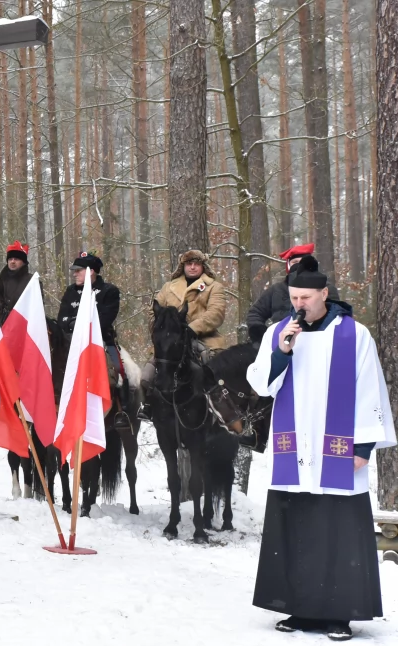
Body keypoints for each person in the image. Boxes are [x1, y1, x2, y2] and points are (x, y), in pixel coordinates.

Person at [246, 256, 394, 641]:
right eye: (294, 297)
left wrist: (362, 445)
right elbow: (261, 384)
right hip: (294, 452)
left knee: (337, 532)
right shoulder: (280, 332)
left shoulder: (354, 335)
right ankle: (301, 610)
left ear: (324, 294)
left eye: (307, 297)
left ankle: (339, 614)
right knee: (297, 530)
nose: (299, 304)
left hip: (339, 451)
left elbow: (370, 390)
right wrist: (281, 351)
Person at [246, 243, 340, 344]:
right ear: (288, 266)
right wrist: (265, 337)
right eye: (295, 262)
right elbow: (255, 314)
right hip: (280, 343)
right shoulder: (276, 290)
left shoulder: (324, 289)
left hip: (317, 342)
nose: (299, 266)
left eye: (303, 262)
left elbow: (335, 316)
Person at [153, 249, 228, 353]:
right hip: (169, 341)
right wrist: (164, 330)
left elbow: (216, 313)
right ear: (183, 266)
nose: (192, 267)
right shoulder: (168, 287)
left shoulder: (214, 287)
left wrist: (192, 329)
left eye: (196, 264)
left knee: (216, 365)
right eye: (189, 264)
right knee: (150, 368)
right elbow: (153, 312)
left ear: (203, 266)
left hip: (205, 340)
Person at [0, 240, 32, 323]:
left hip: (23, 327)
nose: (13, 261)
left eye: (16, 259)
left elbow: (36, 309)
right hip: (1, 328)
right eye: (10, 259)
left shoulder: (32, 282)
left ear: (23, 262)